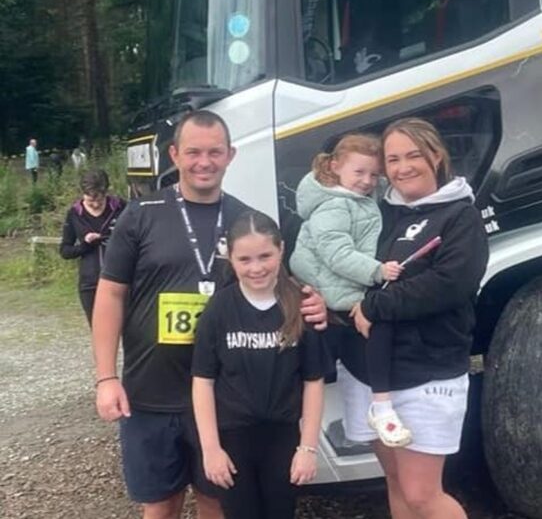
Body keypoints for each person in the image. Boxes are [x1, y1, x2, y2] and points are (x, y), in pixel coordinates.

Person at [91, 110, 327, 519]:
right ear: (174, 155)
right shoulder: (141, 214)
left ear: (231, 155)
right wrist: (106, 377)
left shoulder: (244, 219)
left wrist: (315, 303)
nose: (205, 162)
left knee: (216, 502)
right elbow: (111, 293)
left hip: (225, 400)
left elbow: (278, 288)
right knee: (160, 505)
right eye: (194, 152)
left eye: (215, 152)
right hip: (151, 393)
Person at [348, 117, 488, 519]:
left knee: (422, 494)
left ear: (437, 156)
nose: (403, 167)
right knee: (396, 483)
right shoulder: (382, 215)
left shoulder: (461, 216)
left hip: (428, 372)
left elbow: (450, 284)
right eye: (393, 159)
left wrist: (374, 306)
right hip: (376, 377)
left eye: (413, 155)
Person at [192, 210, 330, 519]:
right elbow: (203, 381)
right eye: (245, 260)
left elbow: (313, 380)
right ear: (231, 258)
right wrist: (211, 449)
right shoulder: (220, 309)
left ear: (281, 250)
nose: (256, 268)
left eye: (265, 256)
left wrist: (307, 449)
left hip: (282, 437)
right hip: (233, 438)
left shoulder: (300, 304)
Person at [289, 133, 410, 447]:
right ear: (335, 166)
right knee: (374, 335)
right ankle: (382, 408)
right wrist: (377, 272)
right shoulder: (336, 206)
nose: (367, 181)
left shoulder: (353, 202)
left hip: (339, 292)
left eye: (374, 175)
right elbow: (337, 254)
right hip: (339, 296)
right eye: (359, 172)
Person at [59, 169, 126, 325]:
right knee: (99, 331)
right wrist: (85, 246)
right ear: (83, 195)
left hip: (121, 280)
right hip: (90, 283)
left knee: (128, 329)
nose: (95, 205)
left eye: (100, 201)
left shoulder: (121, 207)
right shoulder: (74, 213)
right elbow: (65, 251)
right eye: (90, 201)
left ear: (106, 194)